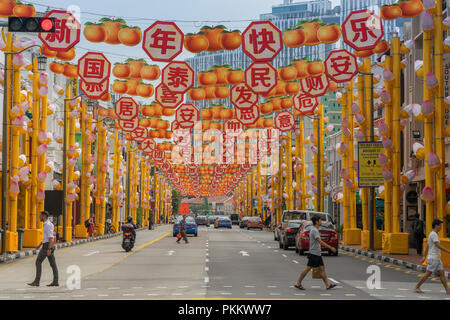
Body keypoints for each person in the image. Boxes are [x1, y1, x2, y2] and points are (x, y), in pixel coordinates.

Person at [294, 215, 337, 290]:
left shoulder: (315, 229)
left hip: (316, 253)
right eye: (320, 220)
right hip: (314, 253)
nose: (321, 221)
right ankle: (298, 283)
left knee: (322, 268)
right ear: (317, 222)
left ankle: (327, 285)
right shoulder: (314, 230)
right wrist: (330, 247)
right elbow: (320, 241)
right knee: (308, 268)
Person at [414, 219, 450, 294]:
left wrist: (424, 256)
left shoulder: (432, 234)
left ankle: (447, 290)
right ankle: (417, 287)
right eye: (440, 225)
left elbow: (427, 246)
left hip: (436, 258)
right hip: (434, 258)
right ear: (436, 226)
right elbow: (438, 245)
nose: (440, 227)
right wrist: (448, 251)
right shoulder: (434, 234)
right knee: (428, 273)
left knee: (442, 273)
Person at [27, 211, 58, 287]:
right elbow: (47, 237)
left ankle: (37, 281)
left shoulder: (47, 225)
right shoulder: (49, 224)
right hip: (47, 245)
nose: (39, 217)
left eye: (40, 216)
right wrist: (40, 244)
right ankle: (55, 281)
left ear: (44, 216)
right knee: (53, 264)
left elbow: (51, 238)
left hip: (47, 246)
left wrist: (49, 249)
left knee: (38, 262)